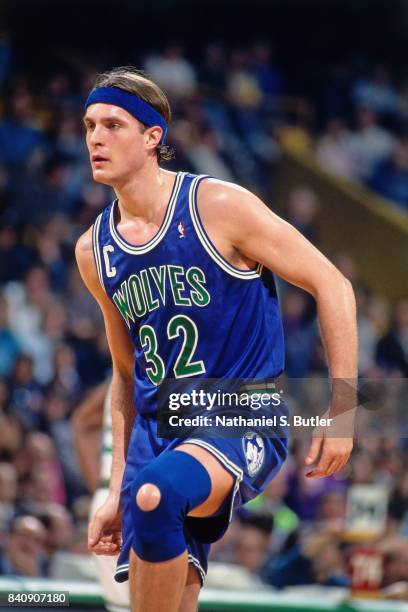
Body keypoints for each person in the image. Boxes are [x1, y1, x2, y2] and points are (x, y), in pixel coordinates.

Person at [75, 66, 357, 612]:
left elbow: (333, 284)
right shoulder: (95, 250)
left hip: (237, 411)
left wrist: (342, 412)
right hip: (156, 434)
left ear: (153, 136)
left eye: (112, 124)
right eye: (89, 126)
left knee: (157, 496)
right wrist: (114, 489)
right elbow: (126, 375)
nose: (95, 138)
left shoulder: (217, 206)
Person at [72, 380, 131, 611]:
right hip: (134, 498)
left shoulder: (115, 379)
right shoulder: (162, 374)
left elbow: (82, 421)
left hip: (110, 496)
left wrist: (100, 488)